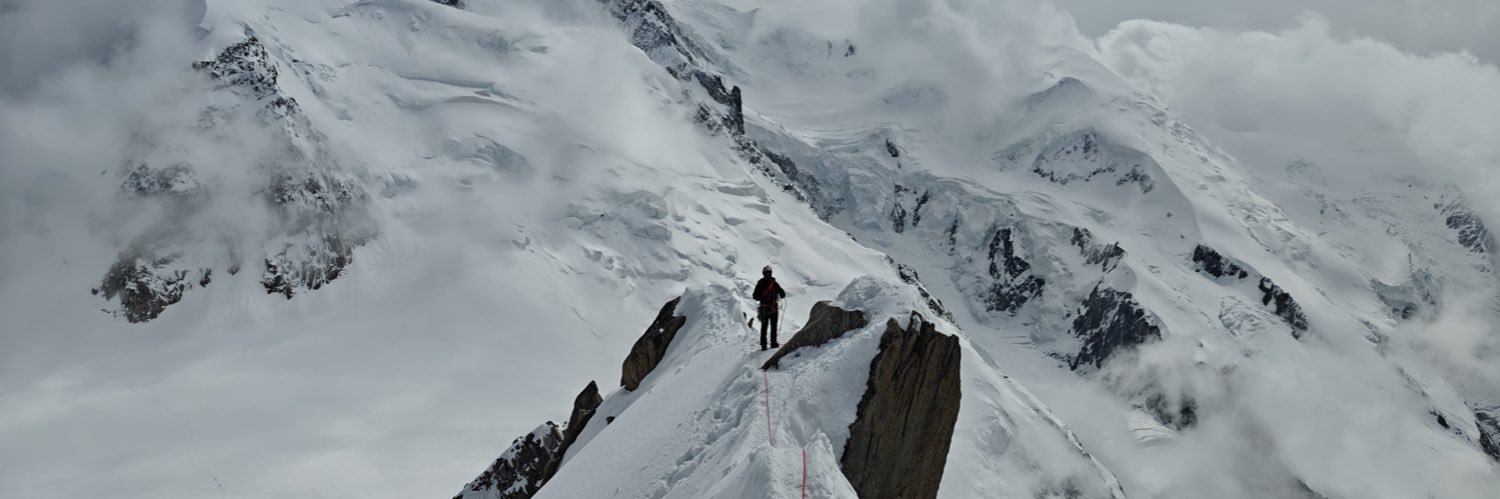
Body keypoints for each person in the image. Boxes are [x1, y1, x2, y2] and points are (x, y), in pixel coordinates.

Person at [752, 265, 786, 351]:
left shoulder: (760, 283)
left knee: (764, 327)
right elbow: (782, 295)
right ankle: (773, 343)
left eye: (768, 273)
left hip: (764, 309)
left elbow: (755, 296)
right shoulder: (774, 283)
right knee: (773, 326)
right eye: (767, 273)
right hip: (773, 308)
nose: (767, 274)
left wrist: (762, 297)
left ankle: (764, 345)